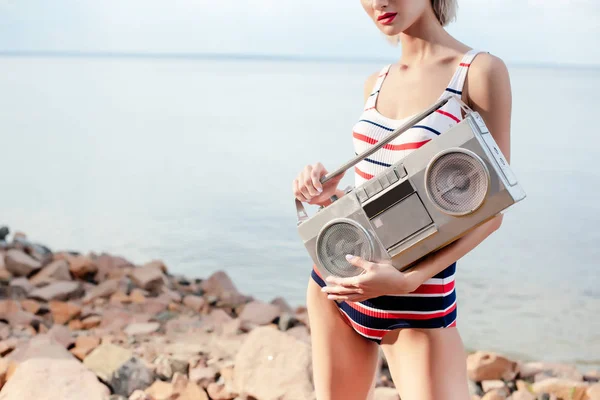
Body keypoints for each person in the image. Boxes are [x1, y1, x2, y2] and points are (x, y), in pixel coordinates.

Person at [292, 1, 512, 399]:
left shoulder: (478, 72)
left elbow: (493, 210)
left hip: (419, 301)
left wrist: (408, 280)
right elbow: (383, 203)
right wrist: (329, 197)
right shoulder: (376, 81)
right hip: (337, 282)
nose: (379, 3)